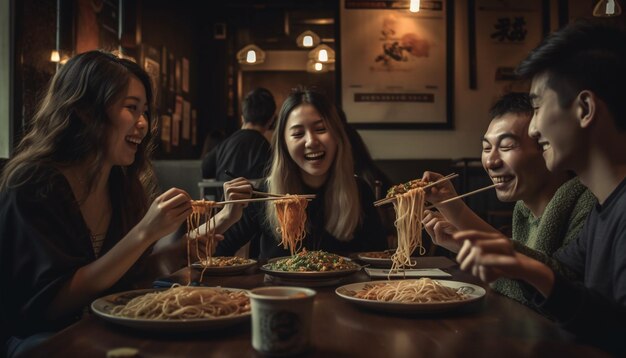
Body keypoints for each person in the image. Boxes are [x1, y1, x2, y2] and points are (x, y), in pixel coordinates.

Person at [0, 51, 209, 357]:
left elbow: (126, 279)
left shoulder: (123, 185)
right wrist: (145, 233)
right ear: (86, 110)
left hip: (102, 329)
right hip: (37, 339)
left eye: (146, 112)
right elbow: (50, 305)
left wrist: (178, 253)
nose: (143, 124)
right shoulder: (33, 184)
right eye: (131, 108)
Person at [454, 21, 626, 355]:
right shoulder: (605, 210)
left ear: (585, 109)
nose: (532, 129)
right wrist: (522, 265)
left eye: (536, 108)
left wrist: (530, 269)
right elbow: (563, 277)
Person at [421, 92, 595, 307]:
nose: (491, 161)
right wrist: (461, 241)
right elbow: (519, 277)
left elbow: (557, 292)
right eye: (486, 148)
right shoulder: (523, 211)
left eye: (506, 146)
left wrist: (455, 209)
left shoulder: (589, 207)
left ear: (547, 146)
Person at [206, 87, 388, 259]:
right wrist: (225, 215)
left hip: (343, 292)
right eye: (298, 133)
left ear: (337, 136)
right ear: (284, 144)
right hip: (276, 292)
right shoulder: (264, 194)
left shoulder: (359, 191)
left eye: (320, 129)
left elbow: (379, 259)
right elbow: (212, 254)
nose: (311, 141)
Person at [201, 87, 276, 192]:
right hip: (257, 206)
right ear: (271, 120)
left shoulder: (224, 144)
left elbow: (205, 168)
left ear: (242, 117)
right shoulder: (266, 148)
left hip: (225, 205)